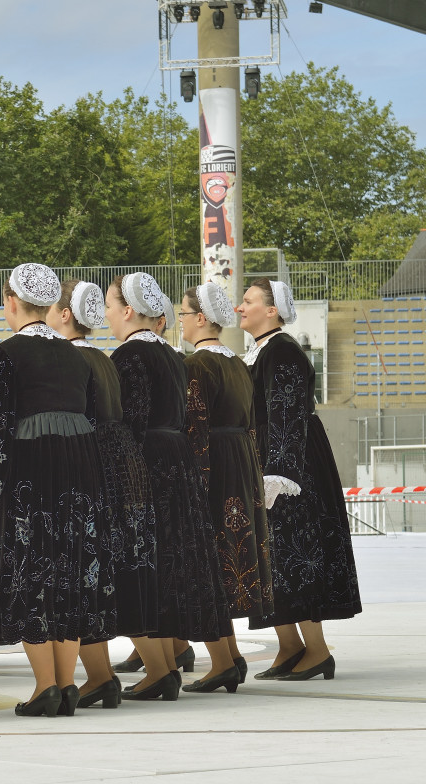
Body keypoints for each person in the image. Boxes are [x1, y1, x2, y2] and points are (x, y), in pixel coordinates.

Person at [0, 263, 108, 717]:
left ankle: (46, 684)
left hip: (29, 472)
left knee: (31, 567)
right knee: (69, 568)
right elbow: (94, 419)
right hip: (77, 469)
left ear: (12, 303)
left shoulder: (4, 355)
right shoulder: (77, 356)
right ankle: (65, 682)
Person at [104, 273, 233, 702]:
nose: (105, 314)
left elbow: (131, 421)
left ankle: (159, 670)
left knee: (142, 561)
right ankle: (166, 666)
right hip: (178, 459)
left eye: (109, 305)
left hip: (147, 462)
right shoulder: (173, 355)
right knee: (172, 560)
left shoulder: (128, 356)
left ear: (127, 311)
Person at [238, 278, 361, 680]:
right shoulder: (263, 351)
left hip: (291, 466)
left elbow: (287, 413)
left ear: (271, 310)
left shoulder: (283, 351)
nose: (240, 307)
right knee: (272, 557)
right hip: (271, 458)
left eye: (249, 300)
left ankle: (318, 650)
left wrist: (280, 473)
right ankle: (290, 646)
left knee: (294, 552)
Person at [46, 280, 155, 709]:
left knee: (86, 572)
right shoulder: (103, 358)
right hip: (122, 462)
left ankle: (98, 674)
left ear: (65, 314)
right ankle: (101, 674)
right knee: (102, 571)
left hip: (93, 465)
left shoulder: (71, 359)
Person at [177, 283, 275, 693]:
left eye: (184, 313)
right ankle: (230, 655)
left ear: (201, 318)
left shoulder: (199, 364)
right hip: (240, 463)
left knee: (208, 563)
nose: (179, 320)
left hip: (215, 466)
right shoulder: (236, 361)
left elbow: (195, 425)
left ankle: (220, 661)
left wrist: (193, 481)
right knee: (226, 559)